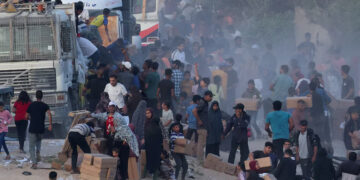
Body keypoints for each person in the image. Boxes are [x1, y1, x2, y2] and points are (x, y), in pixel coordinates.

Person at [26, 90, 52, 169]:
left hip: (32, 128)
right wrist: (50, 124)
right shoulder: (45, 105)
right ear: (42, 96)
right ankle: (38, 153)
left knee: (31, 147)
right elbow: (49, 114)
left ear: (35, 96)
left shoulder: (31, 105)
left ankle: (34, 163)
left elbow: (26, 116)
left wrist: (30, 118)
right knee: (38, 141)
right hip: (41, 128)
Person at [193, 91, 213, 162]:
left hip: (204, 126)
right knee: (201, 144)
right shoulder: (203, 102)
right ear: (206, 96)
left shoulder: (205, 103)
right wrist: (199, 120)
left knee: (202, 144)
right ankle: (199, 160)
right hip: (201, 127)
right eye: (210, 96)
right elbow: (194, 111)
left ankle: (200, 159)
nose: (211, 98)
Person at [144, 108, 163, 179]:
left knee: (153, 160)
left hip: (154, 146)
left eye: (149, 113)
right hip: (149, 145)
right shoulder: (146, 122)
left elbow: (162, 132)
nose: (147, 115)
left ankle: (152, 174)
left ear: (152, 113)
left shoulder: (156, 122)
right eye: (146, 113)